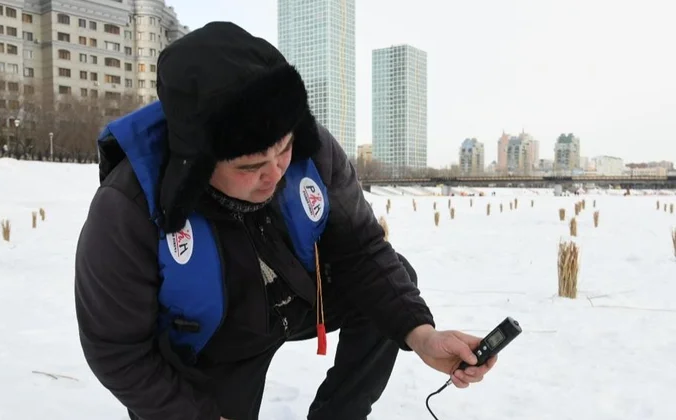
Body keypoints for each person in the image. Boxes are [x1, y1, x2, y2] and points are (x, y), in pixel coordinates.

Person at [74, 21, 497, 420]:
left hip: (294, 296)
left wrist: (422, 335)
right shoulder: (126, 208)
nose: (276, 173)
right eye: (251, 165)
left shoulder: (311, 149)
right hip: (211, 343)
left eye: (284, 150)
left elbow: (362, 251)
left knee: (393, 281)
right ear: (198, 162)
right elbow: (118, 350)